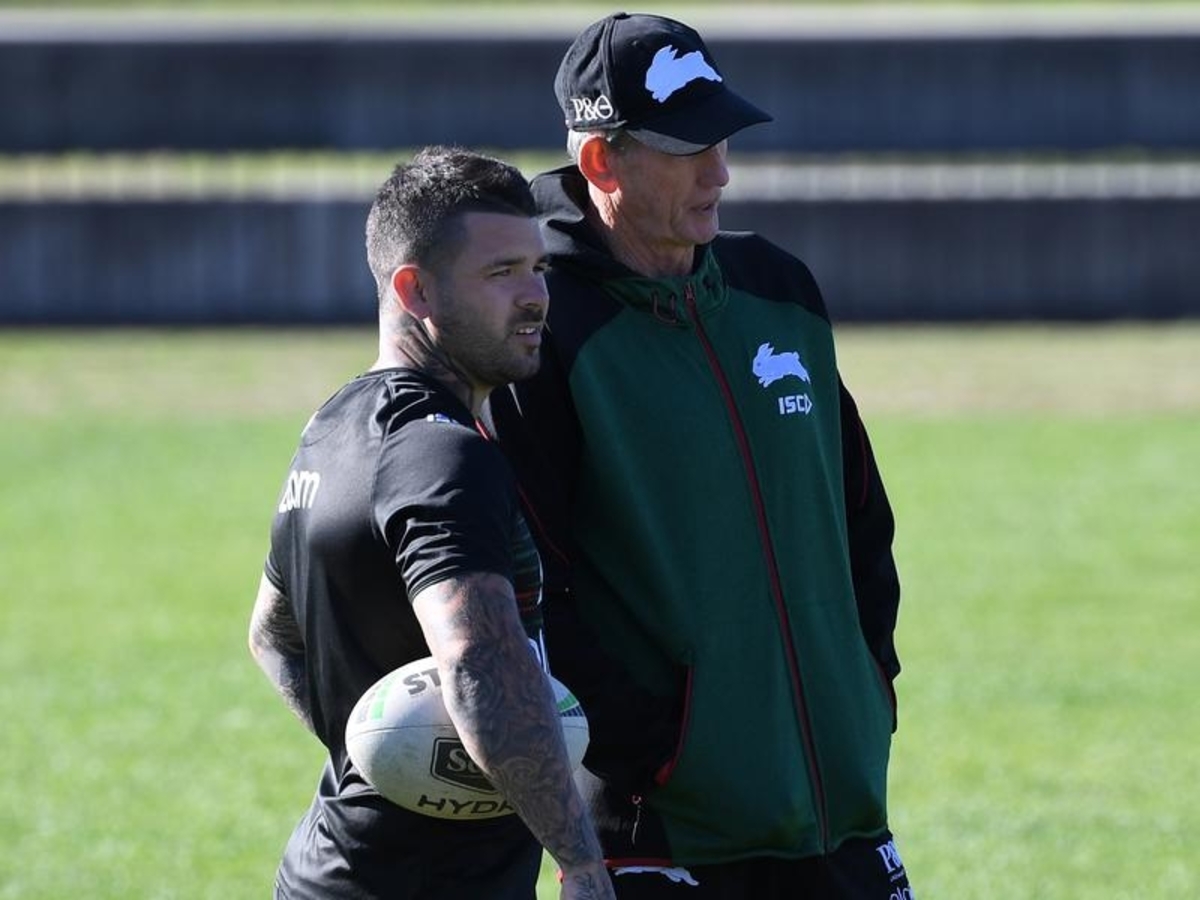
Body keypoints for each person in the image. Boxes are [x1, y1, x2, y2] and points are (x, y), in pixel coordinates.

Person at [481, 14, 916, 899]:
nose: (720, 172)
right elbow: (535, 585)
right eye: (688, 149)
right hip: (663, 833)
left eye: (722, 139)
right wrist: (658, 751)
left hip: (838, 807)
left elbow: (859, 513)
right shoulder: (543, 326)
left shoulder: (778, 289)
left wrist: (866, 686)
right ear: (601, 162)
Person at [249, 146, 616, 900]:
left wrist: (375, 750)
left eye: (537, 268)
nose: (535, 297)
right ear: (414, 289)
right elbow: (478, 664)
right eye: (501, 273)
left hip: (336, 867)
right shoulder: (444, 455)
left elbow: (272, 635)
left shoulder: (334, 425)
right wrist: (582, 864)